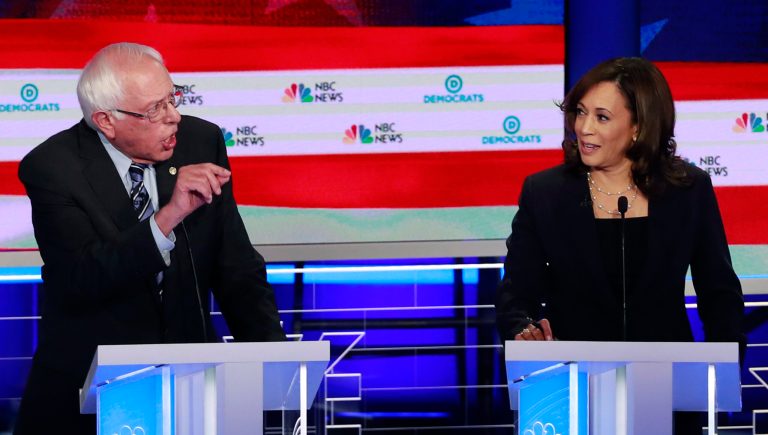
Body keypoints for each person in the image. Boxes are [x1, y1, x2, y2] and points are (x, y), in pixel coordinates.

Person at [13, 42, 286, 434]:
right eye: (155, 109)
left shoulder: (200, 141)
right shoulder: (54, 168)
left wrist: (274, 367)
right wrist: (168, 216)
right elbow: (82, 277)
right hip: (89, 390)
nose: (174, 117)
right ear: (106, 121)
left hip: (189, 385)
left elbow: (236, 267)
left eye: (172, 98)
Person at [495, 57, 745, 433]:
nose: (584, 128)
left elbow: (719, 292)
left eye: (601, 117)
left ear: (638, 128)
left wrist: (721, 371)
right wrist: (525, 329)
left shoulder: (688, 191)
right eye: (580, 113)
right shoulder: (546, 193)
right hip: (569, 391)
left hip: (668, 390)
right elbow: (517, 293)